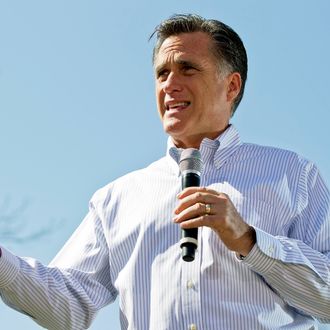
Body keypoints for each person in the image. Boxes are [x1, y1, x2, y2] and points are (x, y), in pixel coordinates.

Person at [0, 14, 329, 330]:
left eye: (187, 69)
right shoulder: (117, 198)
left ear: (231, 86)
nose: (170, 84)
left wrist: (248, 239)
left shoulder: (292, 175)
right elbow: (67, 308)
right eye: (162, 73)